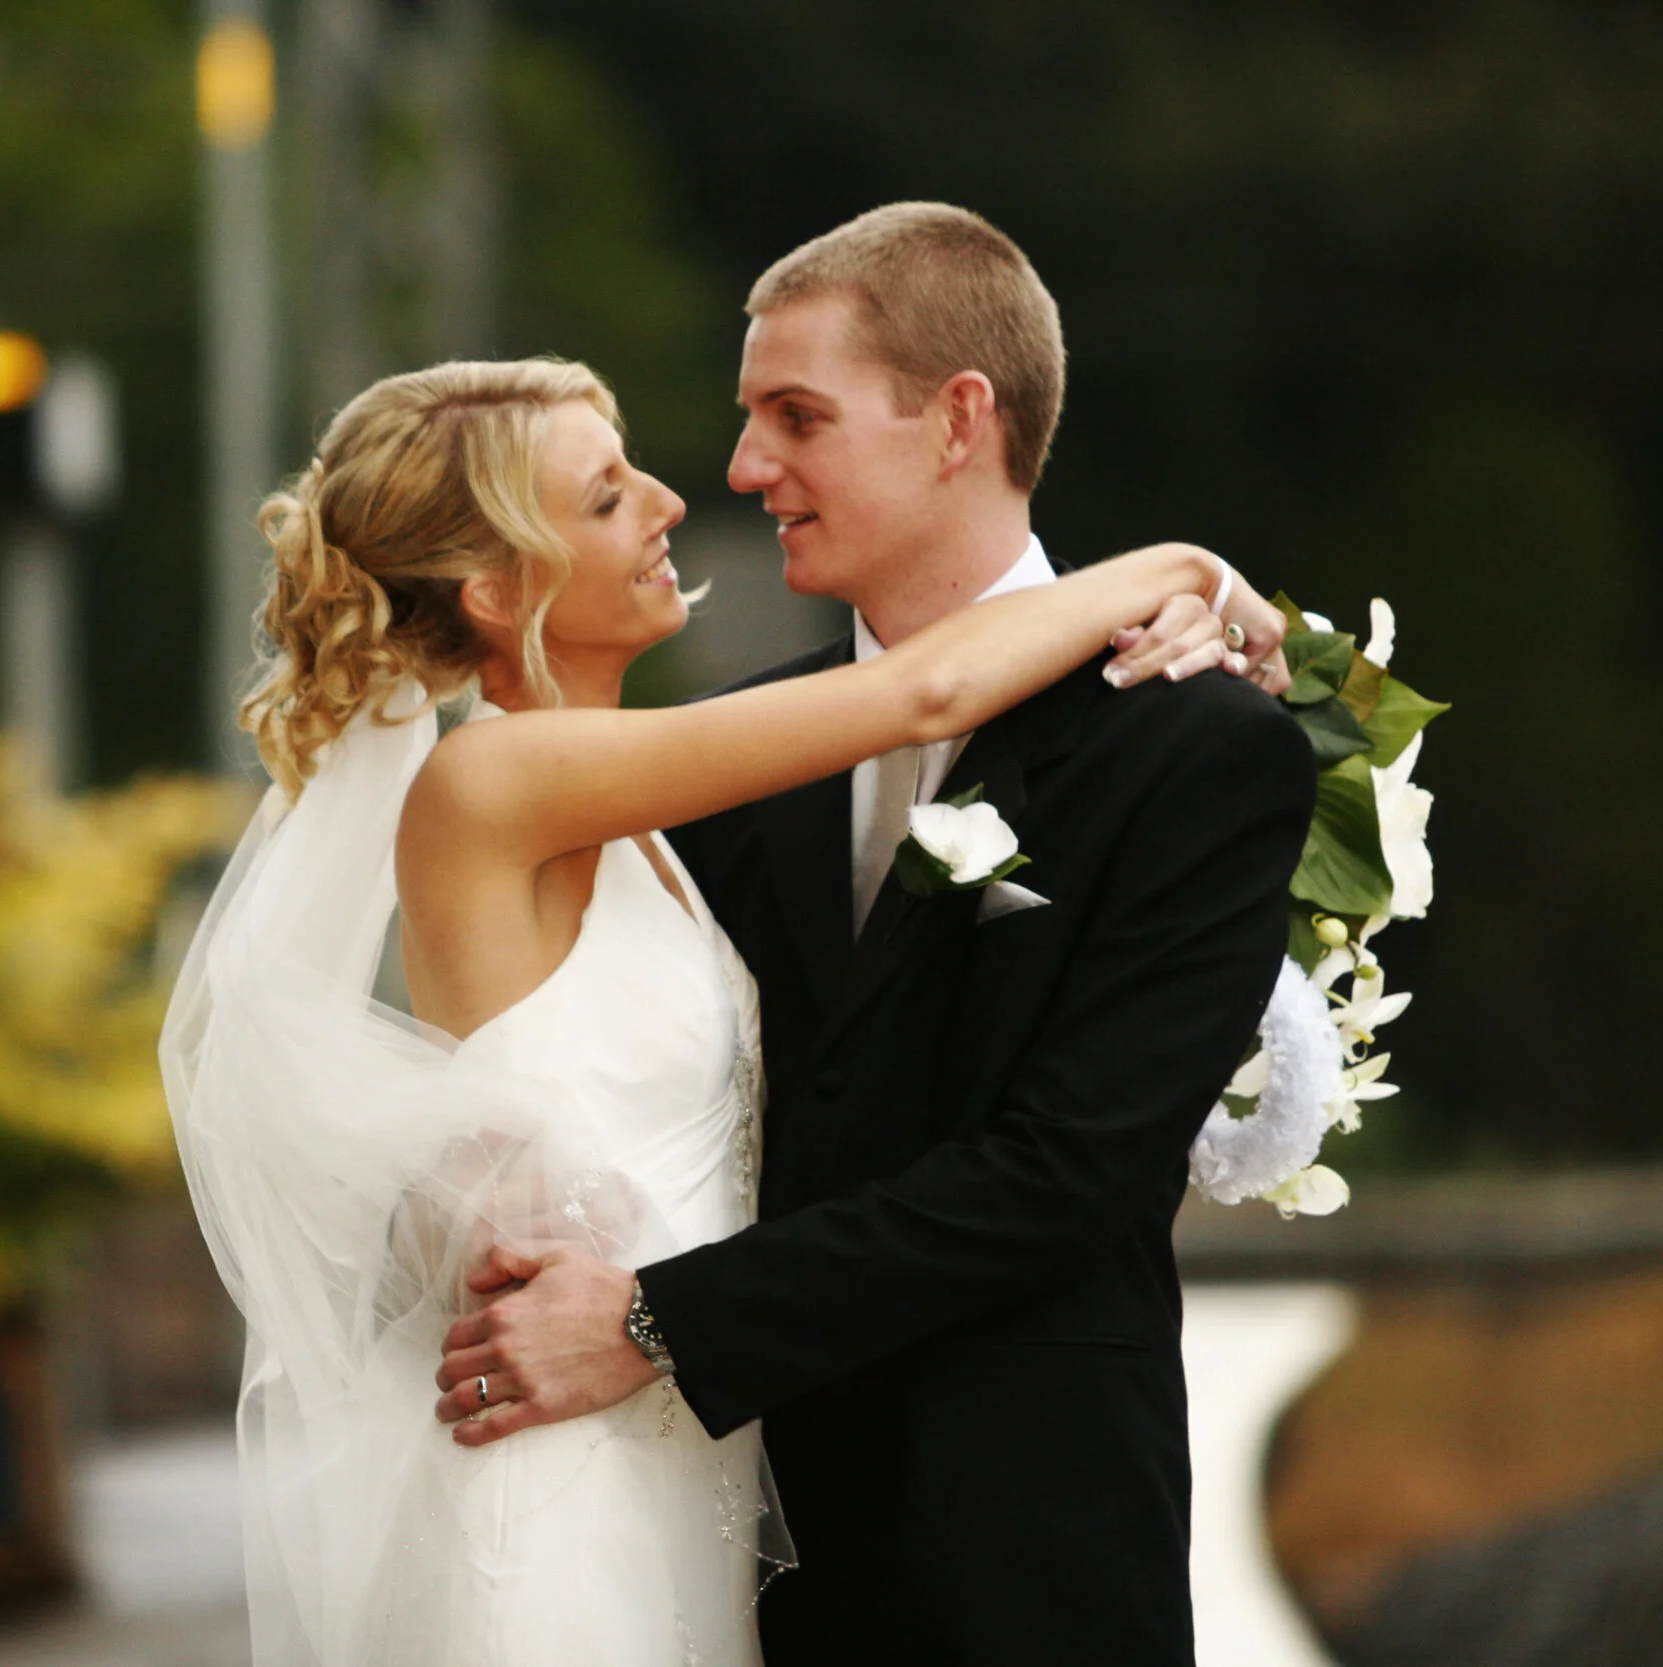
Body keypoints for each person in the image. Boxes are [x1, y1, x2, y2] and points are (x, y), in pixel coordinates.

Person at [161, 348, 1291, 1666]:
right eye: (601, 499)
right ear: (494, 586)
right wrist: (1184, 571)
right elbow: (918, 693)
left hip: (697, 1462)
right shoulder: (496, 782)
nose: (671, 501)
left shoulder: (662, 819)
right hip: (568, 1472)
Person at [429, 204, 1321, 1665]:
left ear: (957, 419)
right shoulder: (726, 763)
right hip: (720, 1550)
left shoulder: (1199, 747)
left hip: (1025, 1562)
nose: (740, 471)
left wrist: (657, 1324)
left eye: (796, 417)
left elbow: (1067, 1173)